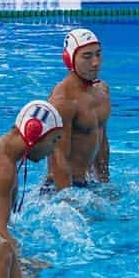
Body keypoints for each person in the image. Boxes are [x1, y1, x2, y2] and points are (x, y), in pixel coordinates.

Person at [0, 100, 64, 245]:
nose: (53, 150)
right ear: (34, 134)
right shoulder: (1, 169)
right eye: (54, 141)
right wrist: (22, 263)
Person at [46, 28, 110, 191]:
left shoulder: (102, 91)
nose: (95, 62)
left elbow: (102, 142)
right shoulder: (63, 101)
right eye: (87, 56)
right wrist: (68, 200)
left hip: (88, 185)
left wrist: (105, 184)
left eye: (98, 54)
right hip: (61, 187)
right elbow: (58, 157)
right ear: (69, 59)